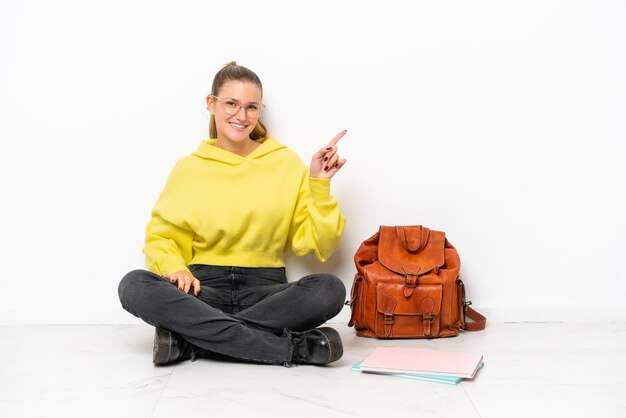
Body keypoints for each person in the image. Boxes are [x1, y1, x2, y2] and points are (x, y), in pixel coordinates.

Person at [118, 61, 348, 367]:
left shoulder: (285, 163)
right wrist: (175, 266)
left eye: (251, 107)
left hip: (266, 293)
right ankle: (292, 350)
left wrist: (319, 184)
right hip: (202, 290)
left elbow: (318, 245)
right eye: (231, 104)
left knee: (329, 289)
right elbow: (161, 236)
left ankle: (191, 342)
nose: (241, 116)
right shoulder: (190, 168)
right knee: (134, 285)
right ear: (211, 104)